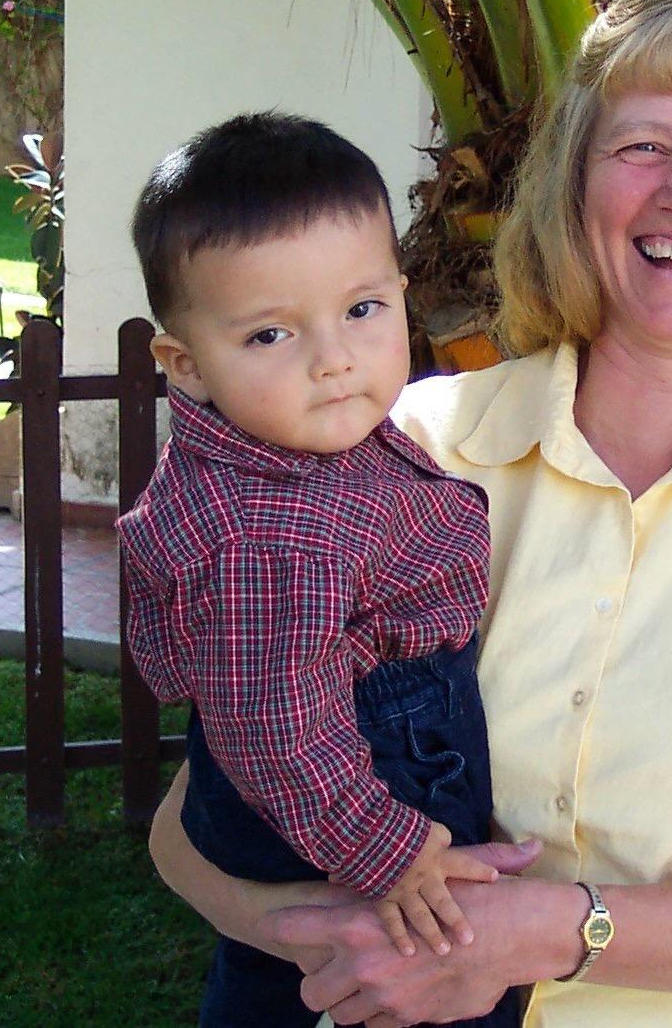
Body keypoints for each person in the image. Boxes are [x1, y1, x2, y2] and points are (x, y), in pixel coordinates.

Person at [145, 0, 672, 1028]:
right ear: (575, 176)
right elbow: (190, 823)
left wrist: (539, 935)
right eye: (643, 147)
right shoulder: (413, 447)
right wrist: (348, 941)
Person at [119, 114, 513, 1027]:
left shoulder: (303, 440)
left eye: (362, 310)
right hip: (364, 781)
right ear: (184, 365)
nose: (334, 359)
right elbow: (276, 729)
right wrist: (390, 849)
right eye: (269, 337)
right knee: (390, 981)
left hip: (355, 758)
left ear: (400, 291)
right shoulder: (267, 541)